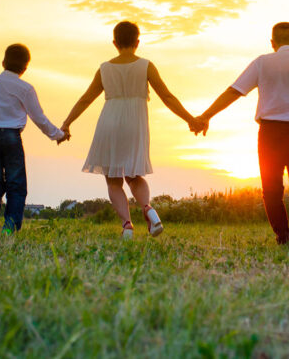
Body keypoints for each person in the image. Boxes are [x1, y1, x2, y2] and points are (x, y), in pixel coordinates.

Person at [61, 21, 204, 239]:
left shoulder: (105, 68)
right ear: (137, 42)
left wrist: (67, 123)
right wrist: (190, 119)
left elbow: (86, 99)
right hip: (135, 123)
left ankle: (127, 225)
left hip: (109, 122)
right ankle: (147, 209)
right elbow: (167, 97)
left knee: (113, 180)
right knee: (134, 175)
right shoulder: (146, 65)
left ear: (114, 42)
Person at [197, 22, 289, 246]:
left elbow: (234, 91)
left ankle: (284, 236)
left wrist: (206, 115)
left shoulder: (262, 62)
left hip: (271, 133)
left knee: (271, 190)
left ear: (272, 43)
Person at [0, 43, 69, 234]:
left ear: (3, 62)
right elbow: (39, 118)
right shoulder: (25, 88)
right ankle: (9, 228)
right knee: (16, 185)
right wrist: (57, 135)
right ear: (25, 68)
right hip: (11, 136)